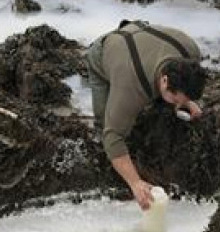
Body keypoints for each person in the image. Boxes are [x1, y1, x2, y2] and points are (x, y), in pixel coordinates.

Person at [84, 20, 207, 210]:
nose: (179, 105)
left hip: (140, 37)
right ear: (165, 81)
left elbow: (183, 85)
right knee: (105, 126)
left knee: (161, 113)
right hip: (105, 54)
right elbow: (113, 137)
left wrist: (186, 102)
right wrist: (135, 183)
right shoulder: (130, 84)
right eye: (176, 99)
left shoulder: (190, 51)